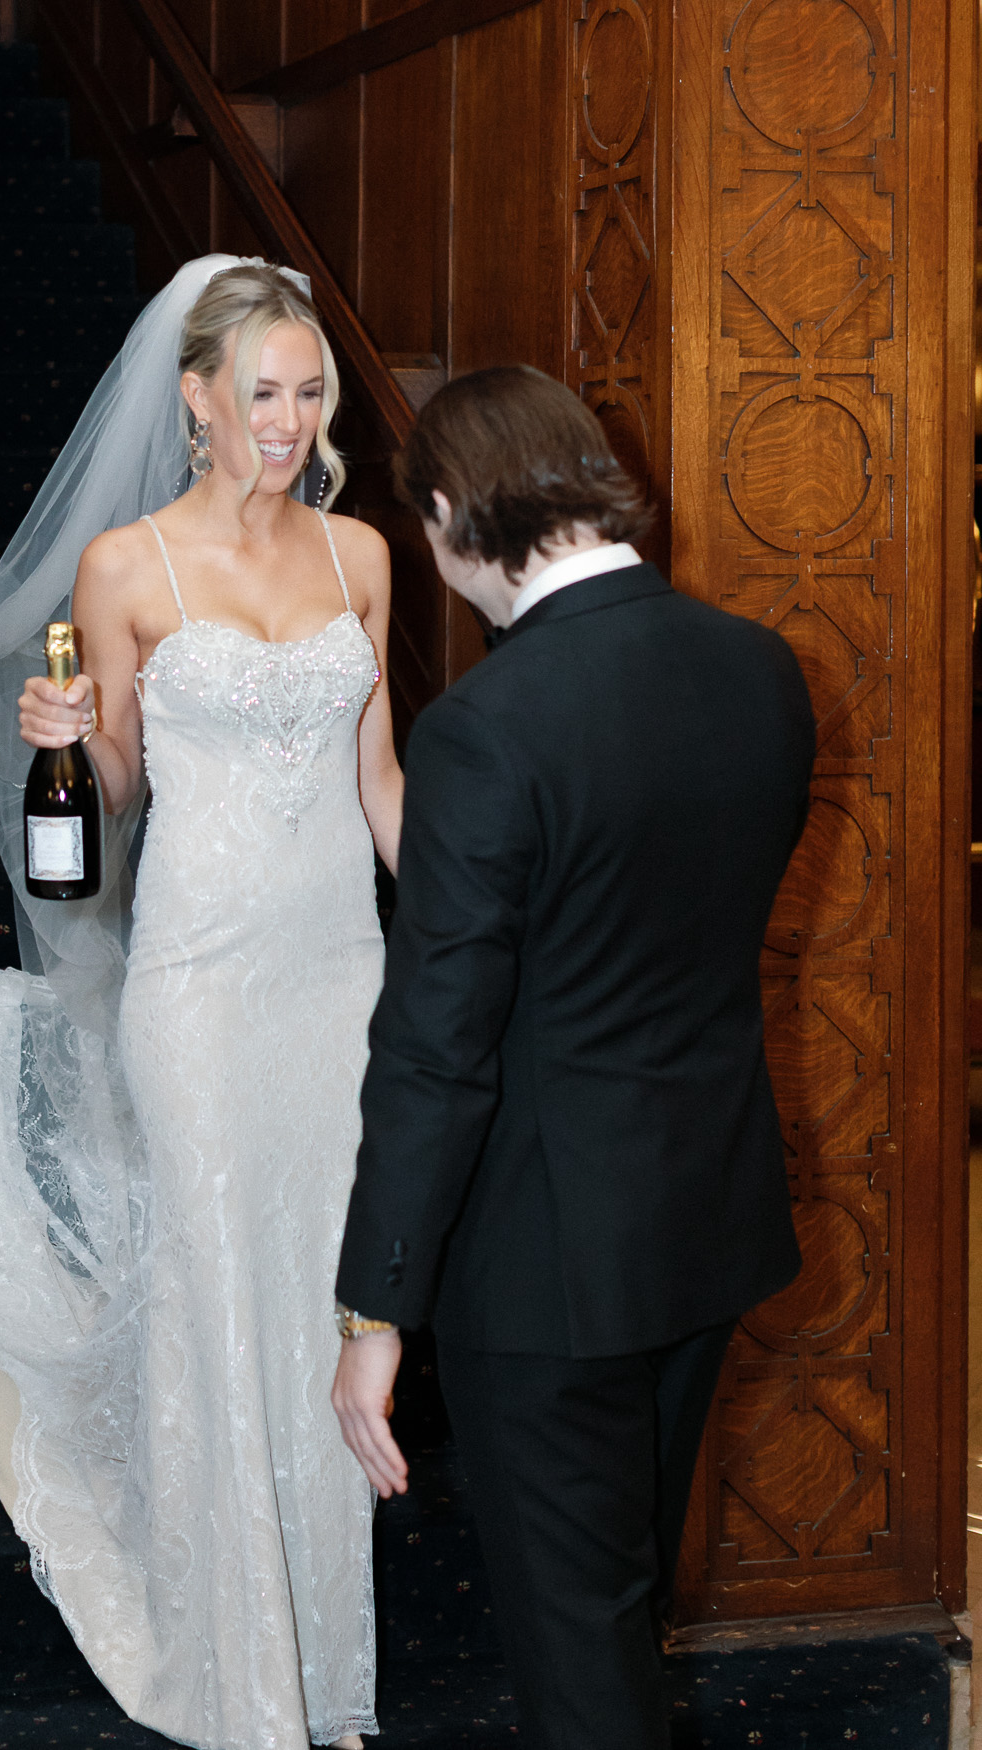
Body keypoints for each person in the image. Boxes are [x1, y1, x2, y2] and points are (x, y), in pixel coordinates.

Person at [0, 258, 403, 1750]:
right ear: (195, 397)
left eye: (310, 393)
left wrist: (481, 930)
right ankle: (227, 1664)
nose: (289, 422)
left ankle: (313, 1656)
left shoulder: (362, 557)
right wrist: (65, 741)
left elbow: (382, 788)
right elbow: (112, 802)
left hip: (337, 983)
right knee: (211, 1285)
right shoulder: (128, 567)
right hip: (195, 984)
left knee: (321, 1289)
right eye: (262, 393)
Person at [329, 365, 814, 1750]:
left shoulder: (488, 726)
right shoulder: (758, 665)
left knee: (581, 1643)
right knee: (621, 1601)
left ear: (449, 515)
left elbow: (437, 1047)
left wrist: (375, 1314)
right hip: (706, 1220)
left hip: (549, 1264)